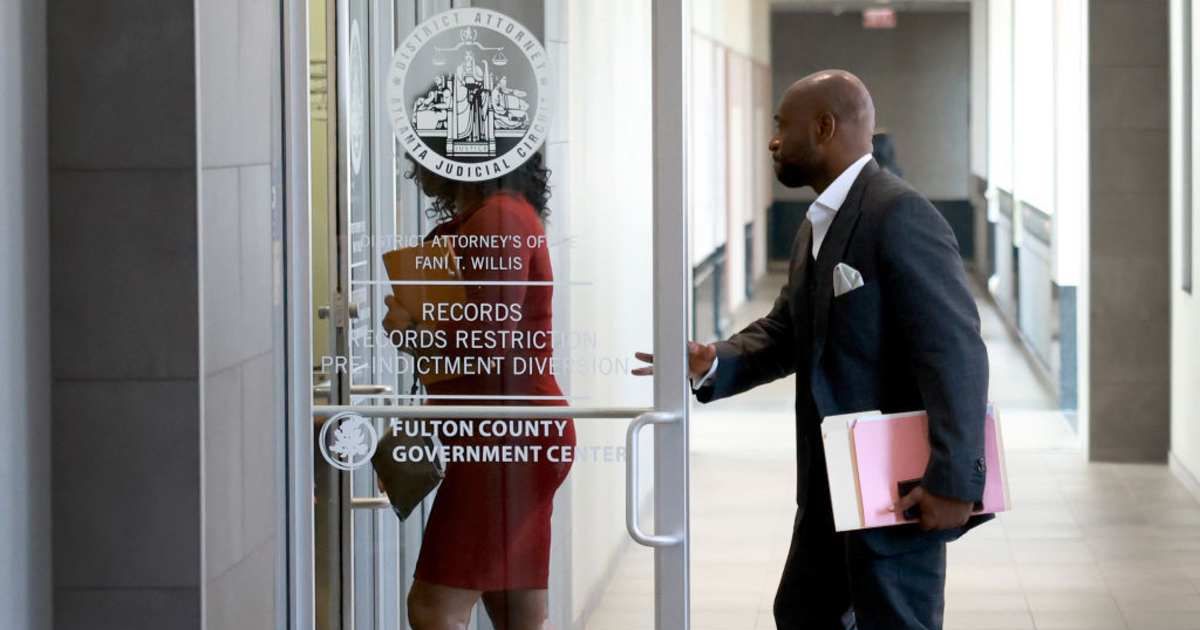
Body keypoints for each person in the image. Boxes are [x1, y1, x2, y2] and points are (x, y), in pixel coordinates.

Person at [635, 70, 989, 629]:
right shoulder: (816, 225)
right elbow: (787, 332)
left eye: (781, 126)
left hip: (894, 484)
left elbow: (956, 354)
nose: (773, 140)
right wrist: (714, 360)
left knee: (892, 620)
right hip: (830, 482)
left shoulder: (898, 214)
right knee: (802, 613)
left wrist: (954, 480)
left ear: (824, 127)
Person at [381, 153, 574, 630]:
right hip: (507, 434)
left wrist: (412, 329)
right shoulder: (496, 216)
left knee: (433, 606)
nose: (414, 161)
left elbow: (487, 339)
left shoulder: (499, 218)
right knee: (514, 609)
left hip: (504, 439)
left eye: (422, 146)